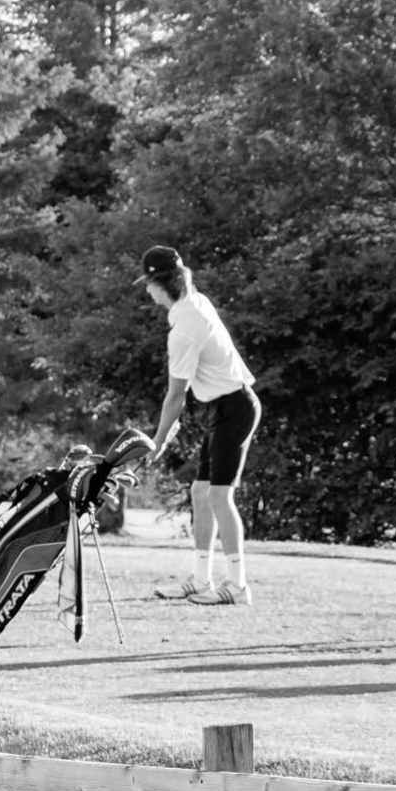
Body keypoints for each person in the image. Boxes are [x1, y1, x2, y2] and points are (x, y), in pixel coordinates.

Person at [138, 246, 262, 607]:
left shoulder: (183, 330)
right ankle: (200, 577)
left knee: (219, 496)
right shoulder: (195, 302)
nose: (148, 292)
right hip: (222, 408)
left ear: (163, 284)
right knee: (200, 492)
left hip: (235, 408)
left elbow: (176, 395)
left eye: (149, 284)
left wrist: (158, 441)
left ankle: (237, 586)